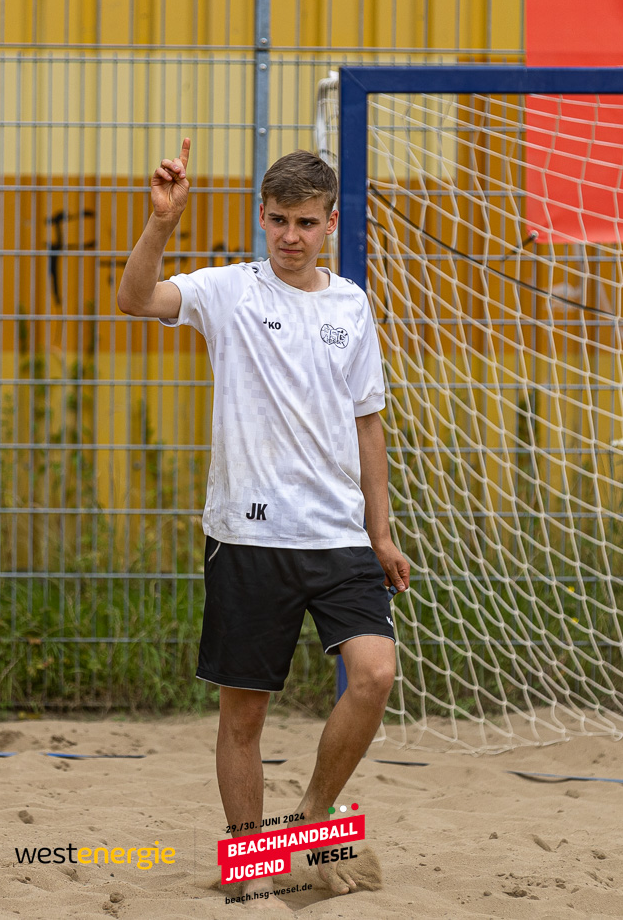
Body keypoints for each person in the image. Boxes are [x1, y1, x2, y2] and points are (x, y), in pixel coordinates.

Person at [116, 140, 411, 902]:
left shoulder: (351, 304)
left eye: (305, 222)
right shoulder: (228, 292)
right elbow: (135, 300)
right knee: (244, 711)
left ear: (330, 222)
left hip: (340, 535)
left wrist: (381, 533)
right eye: (277, 219)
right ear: (261, 218)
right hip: (248, 537)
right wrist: (160, 225)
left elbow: (369, 425)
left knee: (375, 673)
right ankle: (251, 859)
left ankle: (310, 825)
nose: (290, 235)